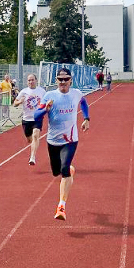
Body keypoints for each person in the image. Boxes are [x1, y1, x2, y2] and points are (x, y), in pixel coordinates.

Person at [34, 68, 90, 221]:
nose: (63, 82)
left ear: (71, 80)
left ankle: (61, 206)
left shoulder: (76, 93)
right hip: (53, 140)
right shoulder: (49, 96)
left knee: (64, 169)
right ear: (56, 80)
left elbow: (84, 103)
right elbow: (36, 115)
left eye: (66, 79)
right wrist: (46, 109)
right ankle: (69, 170)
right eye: (60, 79)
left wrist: (86, 118)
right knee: (56, 172)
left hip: (70, 140)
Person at [13, 73, 47, 165]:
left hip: (37, 117)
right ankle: (33, 145)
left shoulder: (42, 91)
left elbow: (47, 102)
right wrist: (20, 101)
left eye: (32, 80)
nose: (31, 82)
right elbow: (14, 103)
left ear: (36, 80)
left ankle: (32, 157)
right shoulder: (24, 91)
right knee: (29, 139)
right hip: (26, 119)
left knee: (36, 135)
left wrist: (45, 109)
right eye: (29, 80)